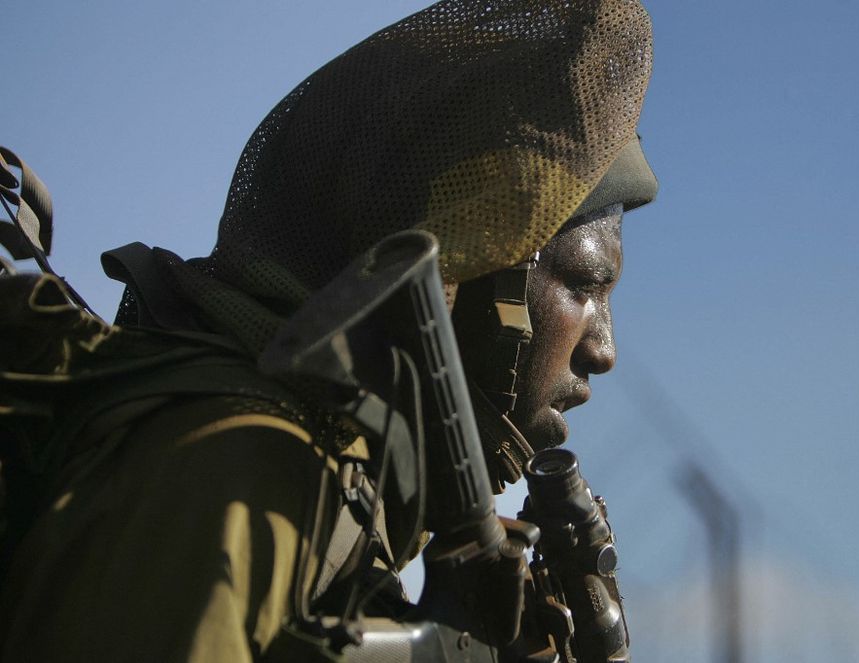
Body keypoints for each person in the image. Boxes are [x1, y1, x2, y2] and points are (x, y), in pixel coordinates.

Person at [0, 0, 657, 660]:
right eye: (583, 285)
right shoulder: (249, 467)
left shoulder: (337, 508)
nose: (603, 348)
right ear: (479, 266)